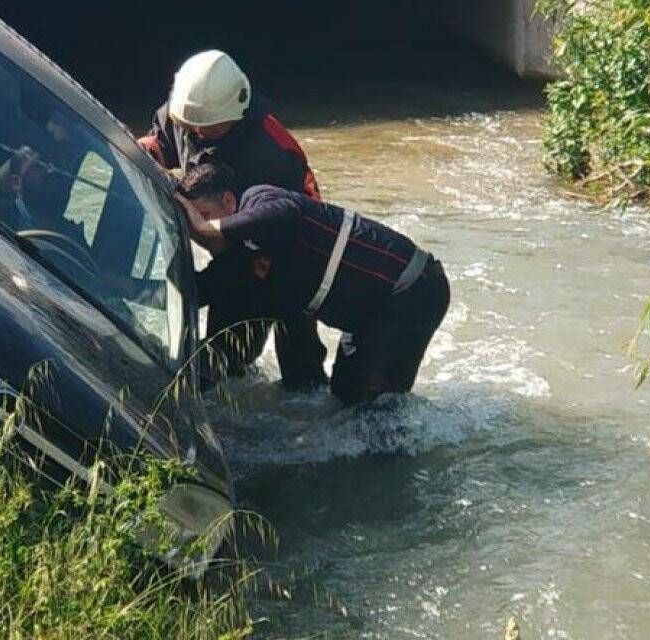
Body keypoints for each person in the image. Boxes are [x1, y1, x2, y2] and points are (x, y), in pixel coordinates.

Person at [175, 164, 451, 406]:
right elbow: (200, 290)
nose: (201, 230)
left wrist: (208, 228)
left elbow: (285, 214)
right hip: (370, 313)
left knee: (375, 406)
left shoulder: (261, 198)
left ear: (228, 200)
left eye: (204, 215)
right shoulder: (240, 252)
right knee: (347, 394)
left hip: (413, 291)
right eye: (195, 224)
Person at [136, 50, 326, 390]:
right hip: (231, 237)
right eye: (189, 125)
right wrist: (141, 154)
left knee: (298, 363)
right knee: (219, 353)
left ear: (235, 114)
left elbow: (259, 252)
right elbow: (161, 144)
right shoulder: (187, 112)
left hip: (288, 252)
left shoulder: (272, 157)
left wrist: (199, 289)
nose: (195, 132)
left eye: (206, 127)